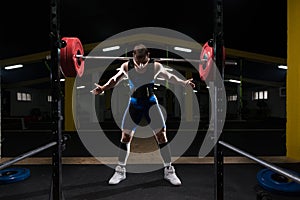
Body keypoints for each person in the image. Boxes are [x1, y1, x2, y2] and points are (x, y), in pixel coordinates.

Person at [91, 44, 195, 186]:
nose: (140, 63)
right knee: (125, 136)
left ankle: (169, 170)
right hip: (135, 104)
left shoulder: (155, 66)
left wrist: (184, 83)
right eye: (137, 60)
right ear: (133, 56)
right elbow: (115, 80)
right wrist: (103, 88)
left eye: (143, 60)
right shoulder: (127, 66)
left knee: (161, 135)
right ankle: (120, 170)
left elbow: (169, 76)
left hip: (150, 103)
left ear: (148, 56)